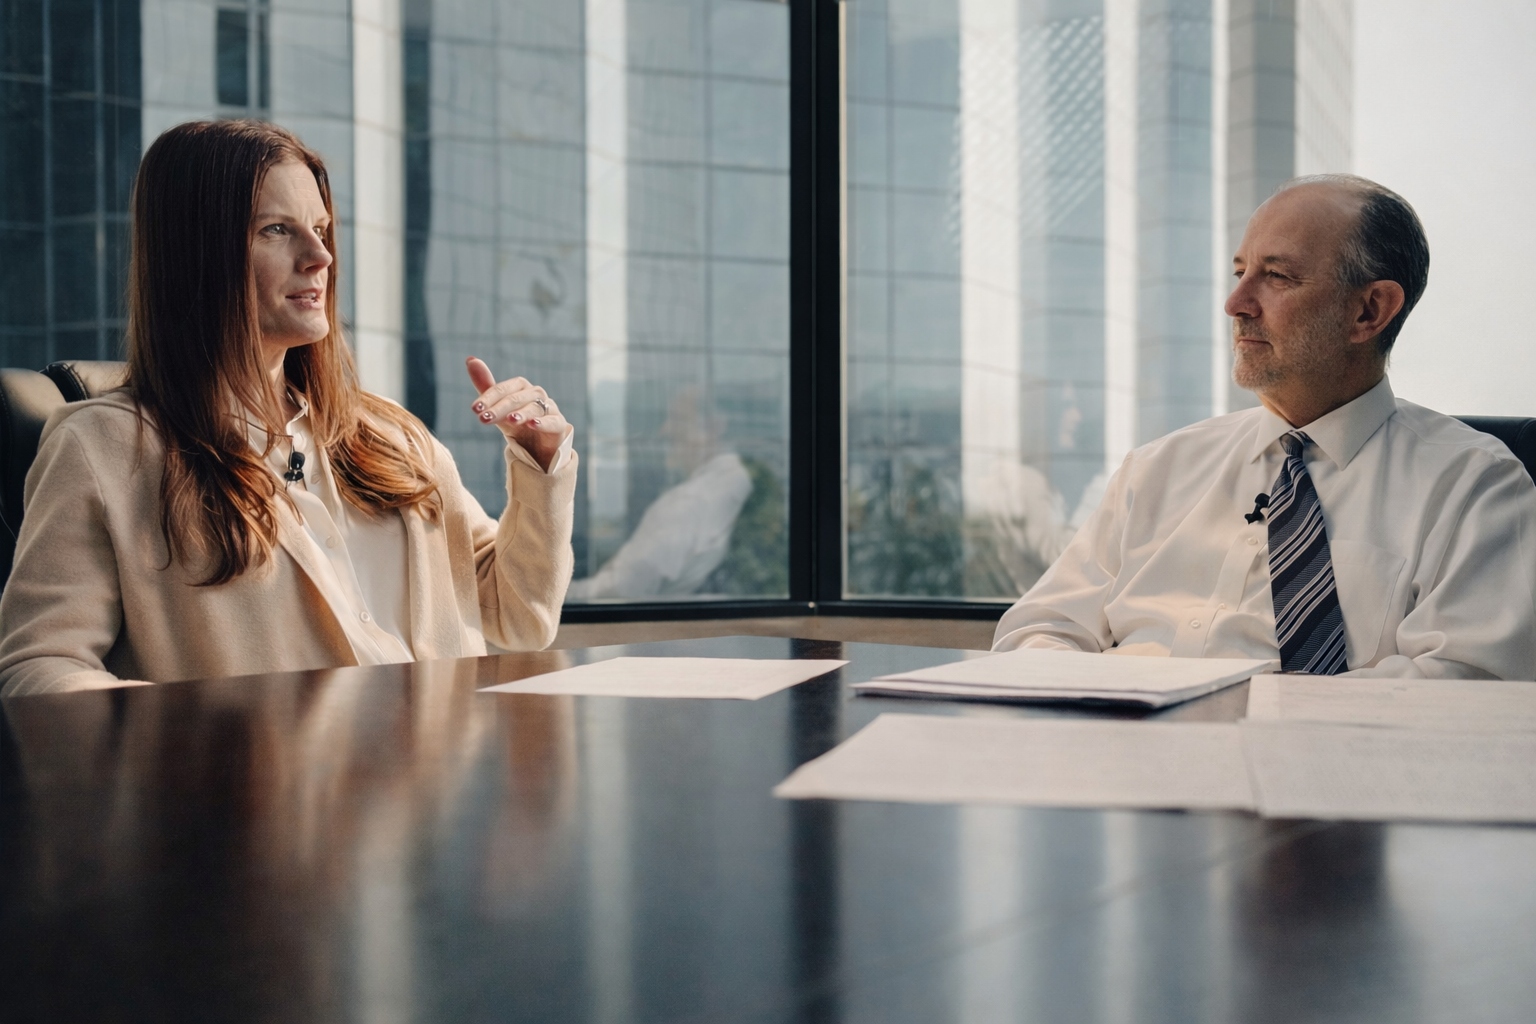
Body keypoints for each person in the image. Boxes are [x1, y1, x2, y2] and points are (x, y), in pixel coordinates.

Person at [0, 120, 577, 696]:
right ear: (195, 252)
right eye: (277, 229)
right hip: (267, 784)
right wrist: (203, 736)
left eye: (322, 229)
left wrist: (540, 468)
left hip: (446, 775)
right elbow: (37, 667)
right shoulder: (101, 448)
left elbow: (518, 617)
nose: (320, 256)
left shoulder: (390, 435)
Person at [994, 174, 1536, 679]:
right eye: (1239, 273)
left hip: (1326, 775)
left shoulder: (1475, 486)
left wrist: (1231, 717)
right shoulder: (1158, 468)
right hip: (1122, 759)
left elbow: (1460, 691)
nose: (1235, 304)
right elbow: (1038, 630)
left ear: (1370, 311)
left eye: (1276, 276)